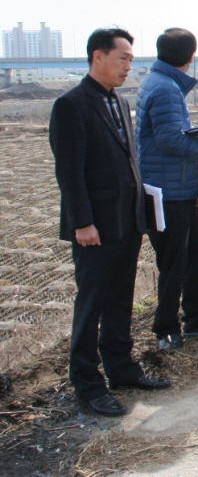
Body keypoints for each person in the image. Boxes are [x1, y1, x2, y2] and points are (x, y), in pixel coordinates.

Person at [49, 27, 170, 417]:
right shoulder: (71, 105)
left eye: (131, 60)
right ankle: (87, 384)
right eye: (123, 59)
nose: (129, 66)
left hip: (126, 221)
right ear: (98, 57)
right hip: (95, 228)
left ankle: (122, 369)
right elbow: (69, 173)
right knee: (92, 305)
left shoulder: (118, 100)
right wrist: (82, 222)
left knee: (120, 300)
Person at [135, 28, 198, 351]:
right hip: (169, 190)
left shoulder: (158, 81)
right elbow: (170, 141)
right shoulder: (165, 88)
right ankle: (166, 329)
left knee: (192, 257)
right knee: (175, 262)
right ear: (191, 56)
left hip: (175, 186)